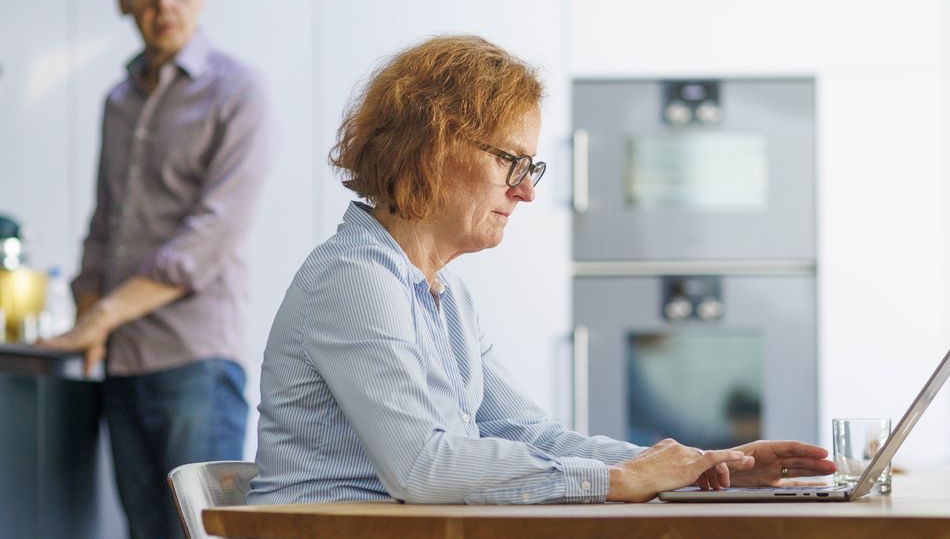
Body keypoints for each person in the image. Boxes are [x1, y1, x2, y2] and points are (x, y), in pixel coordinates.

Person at [248, 35, 834, 505]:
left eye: (532, 167)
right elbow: (423, 467)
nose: (526, 191)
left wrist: (697, 465)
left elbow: (529, 434)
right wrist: (619, 481)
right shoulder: (356, 279)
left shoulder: (444, 294)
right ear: (432, 147)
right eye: (511, 161)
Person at [40, 0, 270, 537]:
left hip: (194, 359)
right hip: (121, 363)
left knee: (203, 534)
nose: (162, 4)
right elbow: (103, 225)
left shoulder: (238, 91)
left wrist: (103, 315)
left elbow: (208, 239)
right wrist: (90, 319)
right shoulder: (117, 101)